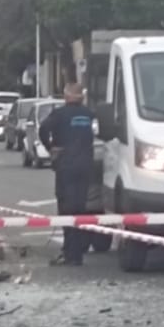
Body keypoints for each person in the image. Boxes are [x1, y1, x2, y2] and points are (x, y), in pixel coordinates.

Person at [39, 83, 101, 266]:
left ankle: (69, 252)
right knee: (81, 208)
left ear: (66, 97)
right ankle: (79, 251)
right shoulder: (89, 115)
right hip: (85, 165)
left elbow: (43, 130)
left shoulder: (59, 114)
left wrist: (51, 147)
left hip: (66, 165)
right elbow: (101, 132)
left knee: (66, 208)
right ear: (81, 97)